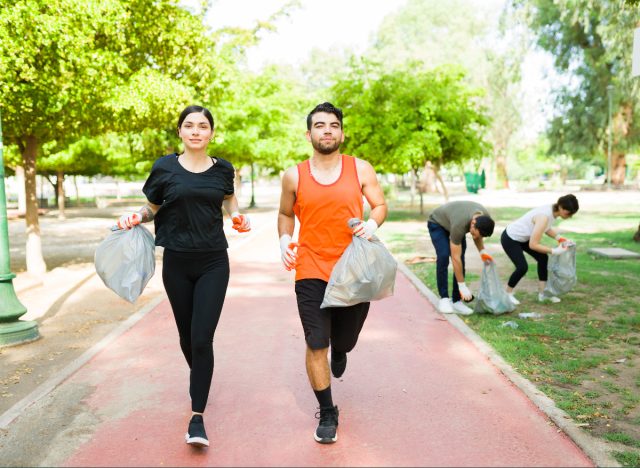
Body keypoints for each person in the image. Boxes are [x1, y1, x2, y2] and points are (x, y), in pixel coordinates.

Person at [115, 105, 250, 448]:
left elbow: (230, 202)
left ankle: (197, 417)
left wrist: (237, 217)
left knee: (202, 338)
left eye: (202, 126)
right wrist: (137, 215)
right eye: (189, 125)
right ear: (180, 132)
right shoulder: (165, 167)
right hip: (175, 262)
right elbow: (153, 207)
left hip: (213, 263)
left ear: (211, 134)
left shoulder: (223, 169)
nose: (195, 131)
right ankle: (200, 375)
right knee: (188, 338)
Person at [278, 102, 387, 444]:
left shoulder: (361, 169)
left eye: (334, 125)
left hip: (354, 269)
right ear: (308, 133)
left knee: (345, 341)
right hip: (310, 268)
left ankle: (341, 349)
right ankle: (327, 411)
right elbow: (285, 213)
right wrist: (284, 240)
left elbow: (380, 205)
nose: (328, 130)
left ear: (341, 132)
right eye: (320, 125)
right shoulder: (294, 175)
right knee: (315, 343)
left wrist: (372, 223)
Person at [501, 193, 579, 305]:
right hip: (511, 238)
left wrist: (559, 238)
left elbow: (546, 228)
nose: (570, 215)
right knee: (522, 267)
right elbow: (533, 244)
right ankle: (507, 294)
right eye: (569, 212)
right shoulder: (544, 216)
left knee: (542, 258)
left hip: (524, 237)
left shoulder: (552, 211)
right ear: (561, 207)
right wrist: (555, 251)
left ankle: (543, 294)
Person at [427, 201, 495, 315]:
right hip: (437, 223)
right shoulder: (460, 224)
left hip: (453, 222)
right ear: (473, 223)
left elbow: (478, 236)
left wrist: (483, 252)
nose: (474, 237)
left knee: (462, 259)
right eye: (473, 234)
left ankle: (456, 300)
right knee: (444, 256)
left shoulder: (484, 219)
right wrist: (462, 286)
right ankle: (444, 298)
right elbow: (455, 258)